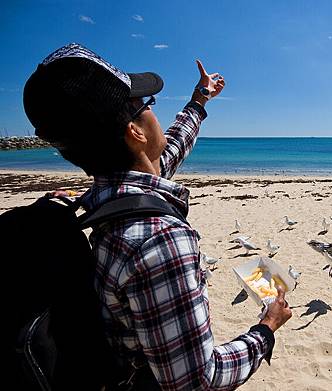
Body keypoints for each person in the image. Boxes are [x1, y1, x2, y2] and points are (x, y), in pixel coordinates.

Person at [23, 43, 292, 390]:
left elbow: (164, 157)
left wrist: (199, 101)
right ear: (135, 133)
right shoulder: (159, 238)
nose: (153, 112)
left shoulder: (106, 199)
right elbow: (197, 381)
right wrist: (265, 330)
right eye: (146, 105)